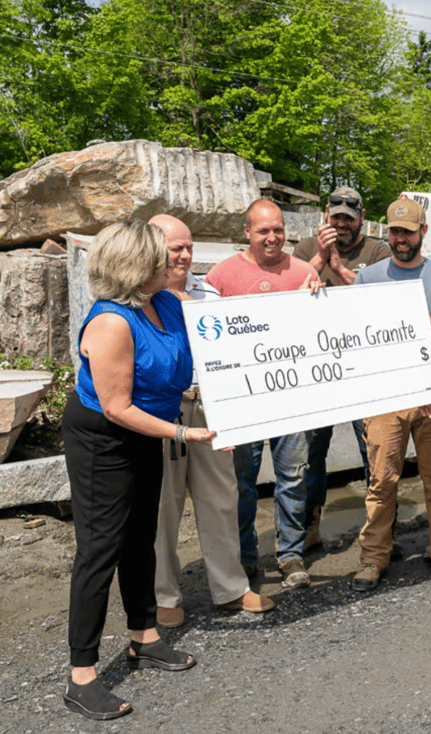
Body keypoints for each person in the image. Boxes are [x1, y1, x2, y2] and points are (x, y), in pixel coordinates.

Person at [62, 221, 212, 720]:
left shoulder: (165, 302)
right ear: (135, 266)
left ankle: (143, 636)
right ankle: (81, 676)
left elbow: (231, 320)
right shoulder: (111, 322)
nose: (171, 262)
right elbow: (116, 406)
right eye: (159, 257)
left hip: (150, 430)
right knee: (100, 547)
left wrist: (309, 288)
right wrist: (183, 434)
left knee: (140, 536)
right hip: (105, 439)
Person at [148, 215, 275, 629]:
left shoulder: (209, 293)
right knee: (163, 508)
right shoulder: (138, 300)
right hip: (162, 411)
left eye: (188, 247)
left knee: (221, 499)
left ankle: (231, 588)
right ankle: (162, 595)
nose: (184, 255)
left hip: (211, 408)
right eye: (175, 248)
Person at [349, 198, 431, 591]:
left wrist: (410, 312)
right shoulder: (369, 278)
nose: (400, 239)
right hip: (385, 397)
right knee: (382, 480)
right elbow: (351, 332)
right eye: (394, 231)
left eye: (408, 232)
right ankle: (373, 558)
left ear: (423, 232)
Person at [205, 199, 319, 590]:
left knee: (293, 478)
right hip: (244, 401)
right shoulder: (221, 277)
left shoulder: (304, 272)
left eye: (278, 230)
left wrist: (319, 298)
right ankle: (246, 555)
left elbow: (324, 328)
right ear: (247, 232)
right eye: (263, 231)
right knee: (242, 482)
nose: (272, 238)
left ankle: (291, 555)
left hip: (293, 397)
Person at [293, 187, 390, 551]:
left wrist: (337, 268)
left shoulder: (378, 251)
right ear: (326, 216)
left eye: (349, 216)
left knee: (373, 449)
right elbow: (291, 291)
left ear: (362, 216)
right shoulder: (305, 249)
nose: (343, 223)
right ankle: (310, 526)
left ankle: (378, 529)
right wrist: (319, 257)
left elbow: (380, 296)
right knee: (313, 451)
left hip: (364, 367)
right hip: (318, 369)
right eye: (337, 216)